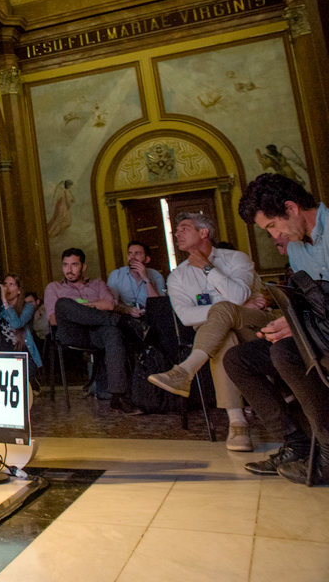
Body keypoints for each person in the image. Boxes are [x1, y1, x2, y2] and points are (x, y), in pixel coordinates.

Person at [226, 174, 329, 481]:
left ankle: (327, 451)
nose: (276, 235)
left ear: (291, 208)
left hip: (321, 336)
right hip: (318, 334)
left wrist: (300, 326)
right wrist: (291, 321)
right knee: (238, 359)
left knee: (285, 353)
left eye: (272, 226)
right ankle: (295, 444)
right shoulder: (297, 250)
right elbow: (309, 303)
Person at [149, 211, 267, 451]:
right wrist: (228, 309)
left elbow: (239, 296)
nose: (176, 233)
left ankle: (186, 370)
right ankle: (237, 424)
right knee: (224, 336)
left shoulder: (236, 259)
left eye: (184, 228)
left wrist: (207, 268)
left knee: (225, 314)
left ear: (203, 233)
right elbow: (185, 317)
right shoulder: (178, 276)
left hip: (256, 328)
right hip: (218, 337)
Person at [44, 248, 138, 413]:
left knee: (113, 333)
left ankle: (118, 396)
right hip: (72, 333)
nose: (69, 270)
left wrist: (80, 308)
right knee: (63, 304)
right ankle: (121, 321)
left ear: (83, 267)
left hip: (96, 332)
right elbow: (53, 318)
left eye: (74, 265)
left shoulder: (98, 284)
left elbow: (109, 305)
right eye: (65, 265)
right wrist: (92, 306)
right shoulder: (54, 288)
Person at [0, 273, 40, 383]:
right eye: (5, 284)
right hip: (3, 354)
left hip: (23, 356)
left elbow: (17, 324)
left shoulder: (28, 307)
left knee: (14, 379)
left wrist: (5, 301)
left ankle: (32, 383)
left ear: (19, 290)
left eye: (11, 284)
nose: (7, 288)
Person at [107, 241, 165, 317]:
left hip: (151, 316)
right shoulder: (116, 275)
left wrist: (145, 278)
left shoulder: (156, 276)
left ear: (147, 259)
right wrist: (128, 310)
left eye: (137, 253)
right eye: (130, 253)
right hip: (126, 316)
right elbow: (112, 305)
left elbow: (158, 305)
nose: (132, 257)